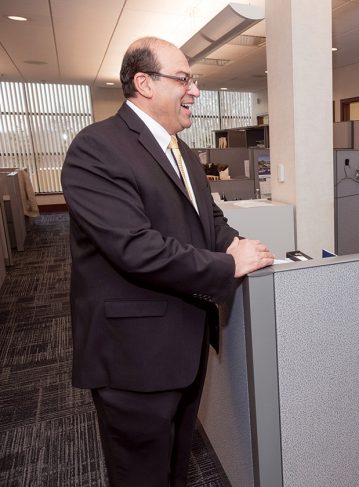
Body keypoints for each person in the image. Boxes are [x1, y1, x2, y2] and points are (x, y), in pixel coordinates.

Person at [61, 37, 275, 486]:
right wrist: (226, 266)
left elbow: (210, 222)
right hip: (133, 356)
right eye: (184, 79)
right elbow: (134, 247)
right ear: (144, 83)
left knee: (175, 466)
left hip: (184, 344)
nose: (194, 90)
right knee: (140, 474)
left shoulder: (181, 151)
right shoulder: (96, 148)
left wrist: (240, 247)